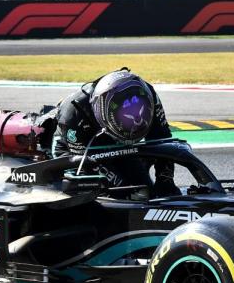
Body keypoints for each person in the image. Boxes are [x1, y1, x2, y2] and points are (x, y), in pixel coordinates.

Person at [52, 69, 178, 197]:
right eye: (127, 112)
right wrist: (124, 190)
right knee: (114, 195)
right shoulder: (73, 114)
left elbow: (162, 139)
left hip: (119, 146)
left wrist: (165, 179)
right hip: (78, 151)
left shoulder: (148, 94)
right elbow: (86, 162)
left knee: (146, 192)